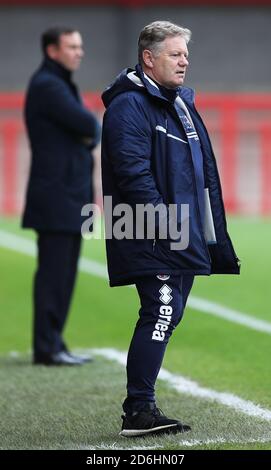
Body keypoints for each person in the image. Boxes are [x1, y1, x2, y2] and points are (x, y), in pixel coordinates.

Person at [101, 21, 240, 437]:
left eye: (185, 54)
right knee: (161, 310)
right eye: (175, 54)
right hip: (153, 230)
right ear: (148, 57)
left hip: (182, 231)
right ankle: (138, 410)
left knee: (170, 312)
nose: (185, 61)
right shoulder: (130, 106)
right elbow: (132, 173)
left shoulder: (177, 103)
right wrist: (164, 223)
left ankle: (141, 406)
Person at [22, 26, 101, 366]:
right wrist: (89, 130)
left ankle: (54, 341)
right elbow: (90, 125)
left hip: (69, 196)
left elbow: (88, 129)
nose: (79, 52)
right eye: (71, 46)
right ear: (52, 51)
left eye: (80, 46)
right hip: (56, 196)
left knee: (65, 273)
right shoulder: (48, 85)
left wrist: (88, 131)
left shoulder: (60, 83)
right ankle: (47, 347)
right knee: (54, 274)